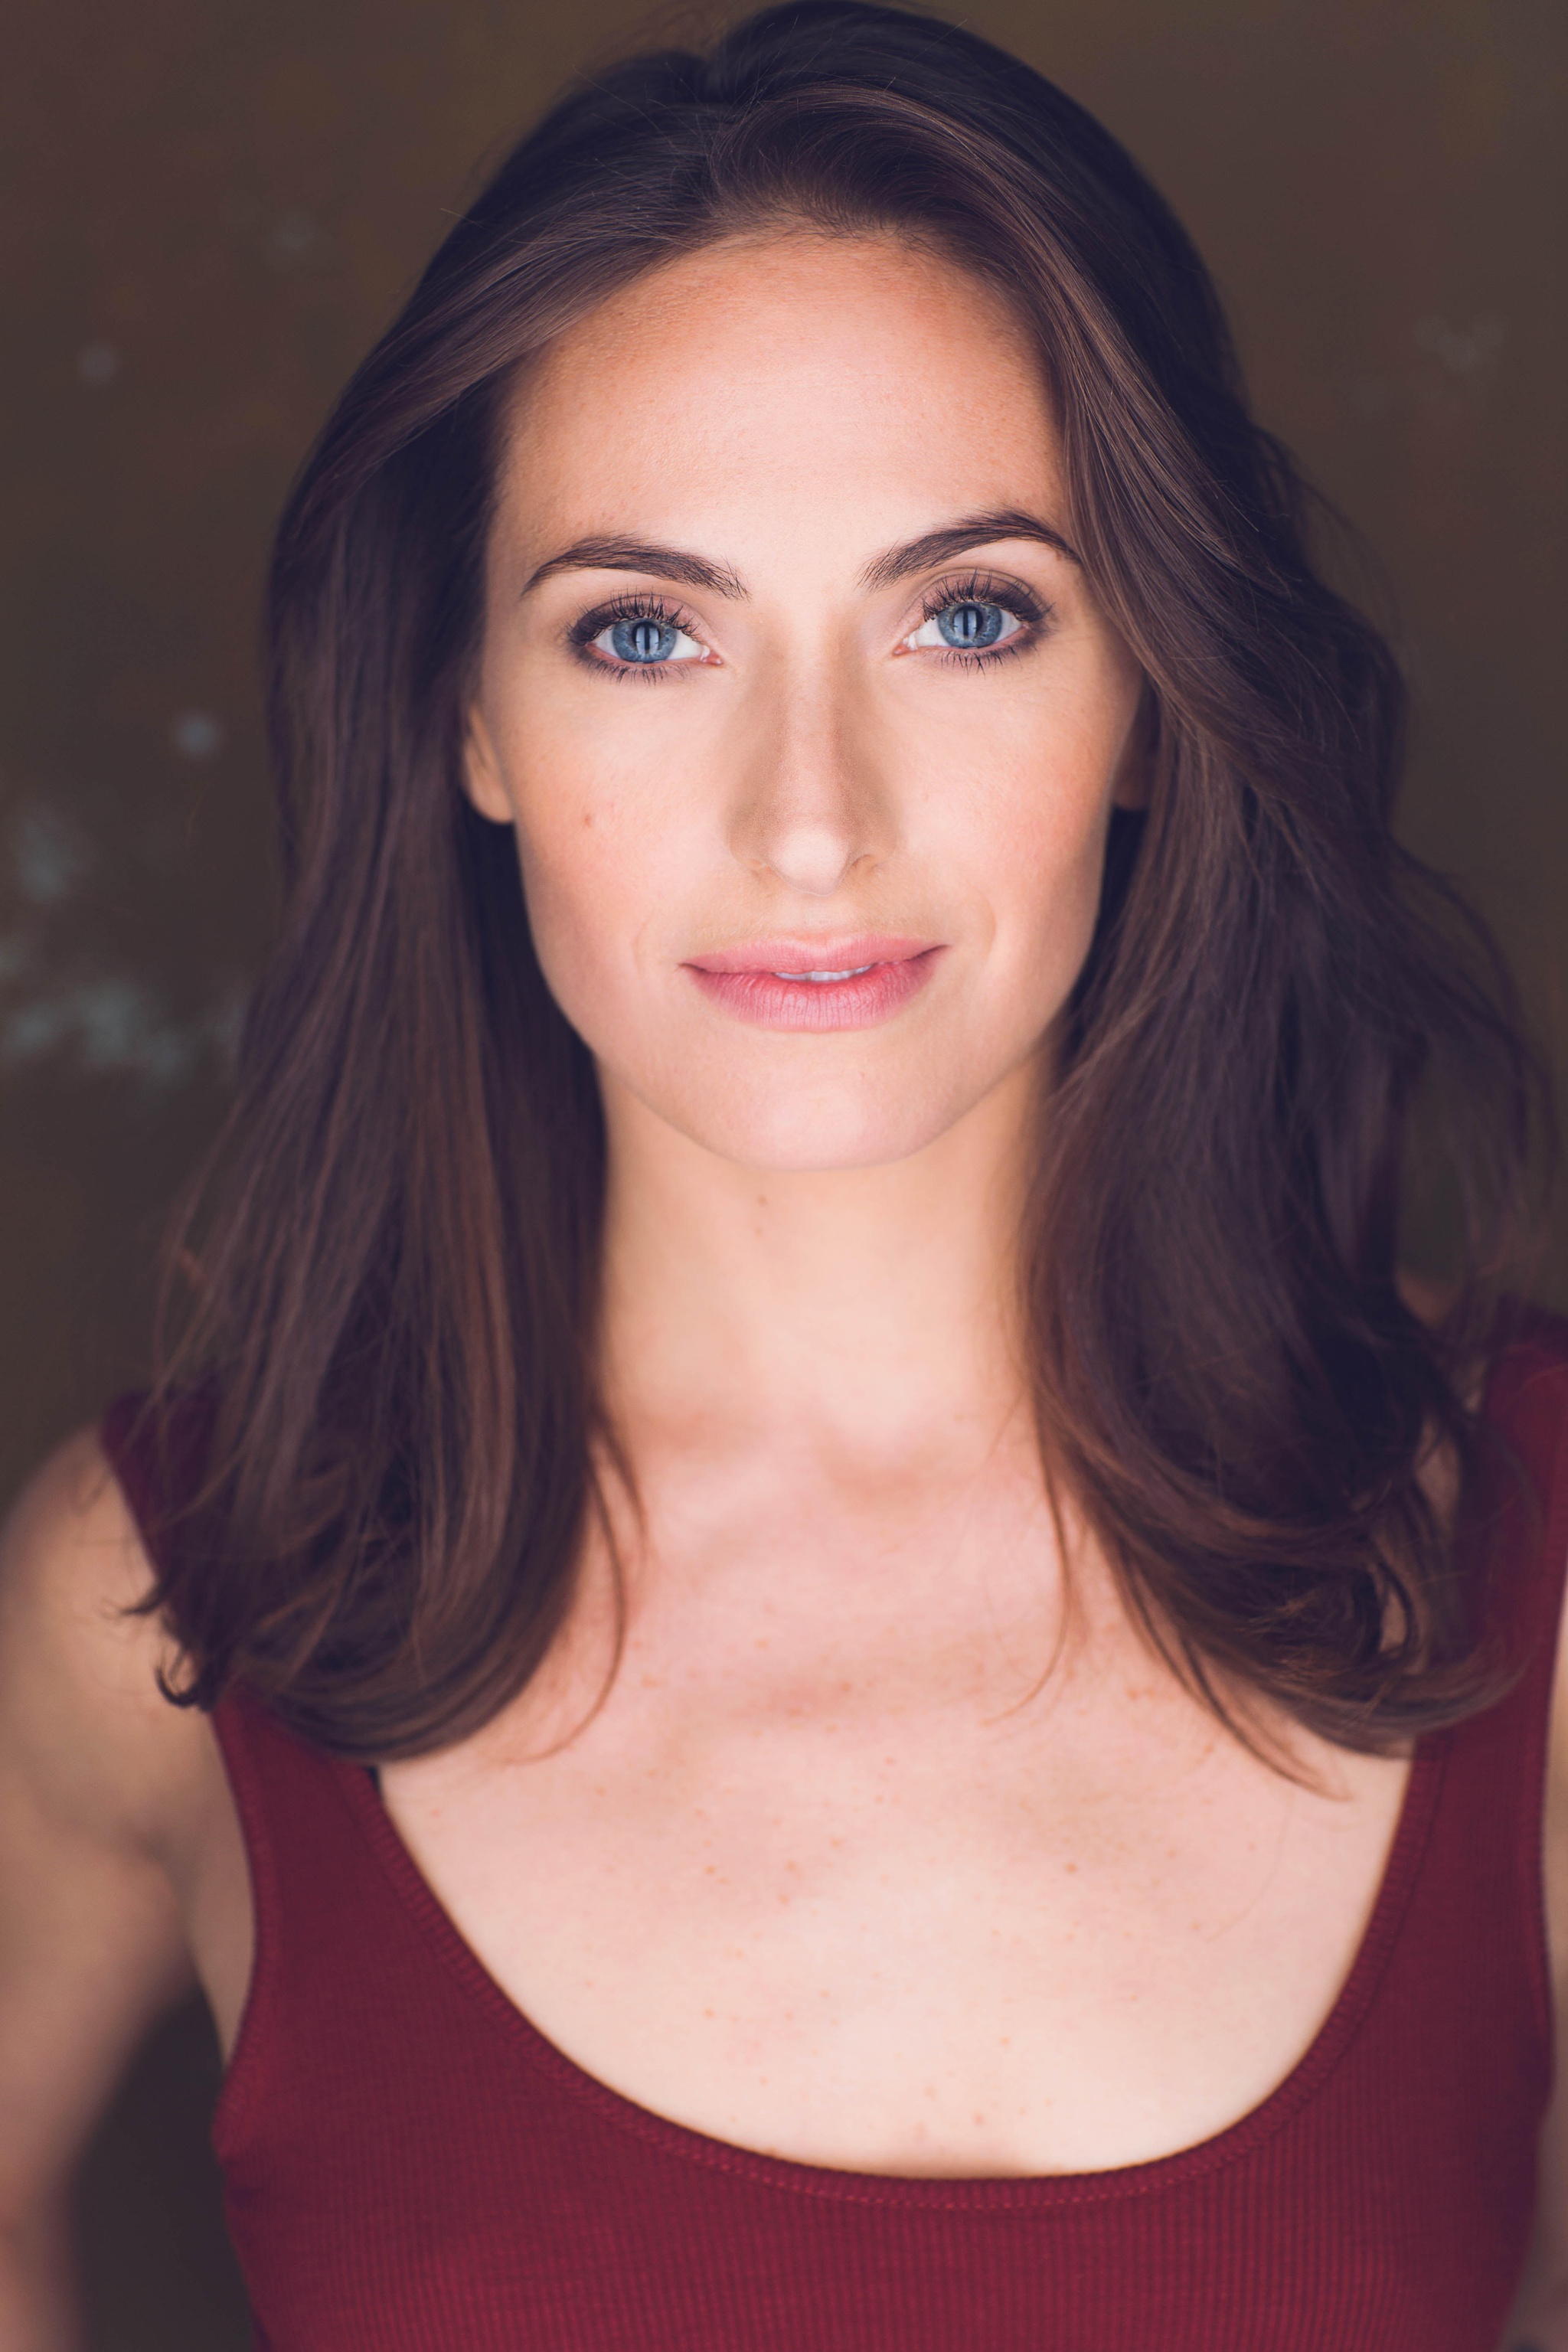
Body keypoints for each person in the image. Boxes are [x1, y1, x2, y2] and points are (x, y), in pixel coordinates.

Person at [0, 3, 1562, 2344]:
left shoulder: (1530, 1538)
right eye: (645, 632)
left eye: (966, 616)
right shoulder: (160, 1604)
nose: (809, 818)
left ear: (1145, 686)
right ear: (468, 717)